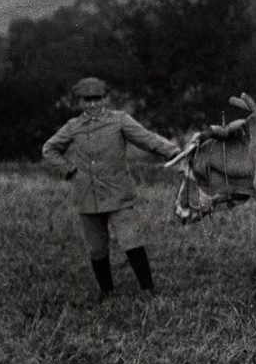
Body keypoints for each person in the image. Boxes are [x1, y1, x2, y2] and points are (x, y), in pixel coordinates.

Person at [42, 77, 180, 298]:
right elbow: (49, 149)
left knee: (131, 240)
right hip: (87, 196)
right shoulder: (73, 126)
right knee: (96, 249)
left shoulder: (120, 120)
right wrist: (68, 169)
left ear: (104, 99)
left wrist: (173, 151)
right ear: (80, 102)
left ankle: (147, 290)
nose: (92, 105)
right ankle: (106, 292)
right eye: (87, 100)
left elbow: (146, 139)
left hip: (118, 195)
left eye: (97, 99)